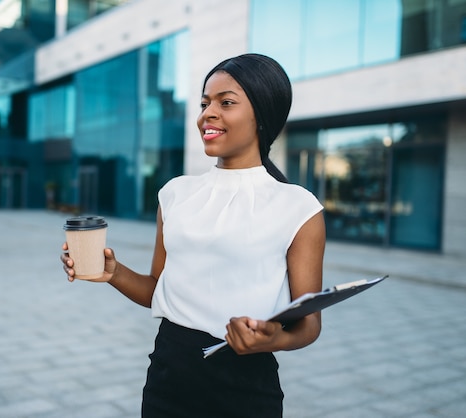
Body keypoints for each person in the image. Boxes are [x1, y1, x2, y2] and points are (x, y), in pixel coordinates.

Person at [61, 53, 325, 418]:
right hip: (169, 378)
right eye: (204, 103)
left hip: (246, 387)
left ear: (262, 115)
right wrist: (114, 273)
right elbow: (159, 289)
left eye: (226, 102)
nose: (207, 114)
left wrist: (274, 339)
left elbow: (309, 322)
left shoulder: (298, 207)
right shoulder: (175, 194)